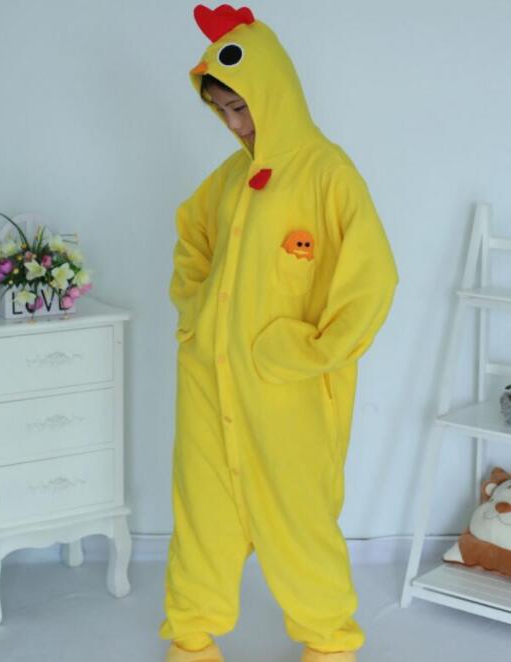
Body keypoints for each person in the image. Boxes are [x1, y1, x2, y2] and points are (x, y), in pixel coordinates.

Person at [159, 4, 399, 662]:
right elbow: (192, 244)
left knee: (298, 517)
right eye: (223, 112)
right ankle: (191, 637)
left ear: (275, 90)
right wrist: (197, 314)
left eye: (242, 107)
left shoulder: (328, 174)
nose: (236, 125)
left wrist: (311, 350)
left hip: (286, 391)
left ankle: (329, 642)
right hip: (208, 383)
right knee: (203, 513)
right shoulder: (228, 180)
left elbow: (371, 279)